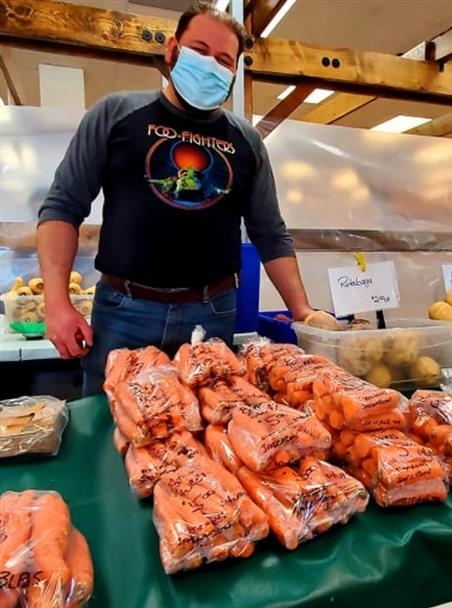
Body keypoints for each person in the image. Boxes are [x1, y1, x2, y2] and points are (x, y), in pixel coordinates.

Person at [37, 1, 315, 396]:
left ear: (234, 72)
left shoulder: (247, 142)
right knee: (111, 420)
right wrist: (56, 302)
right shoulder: (116, 114)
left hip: (212, 313)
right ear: (172, 50)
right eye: (200, 50)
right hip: (124, 311)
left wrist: (302, 312)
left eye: (224, 60)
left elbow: (270, 233)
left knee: (208, 421)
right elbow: (62, 207)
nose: (210, 65)